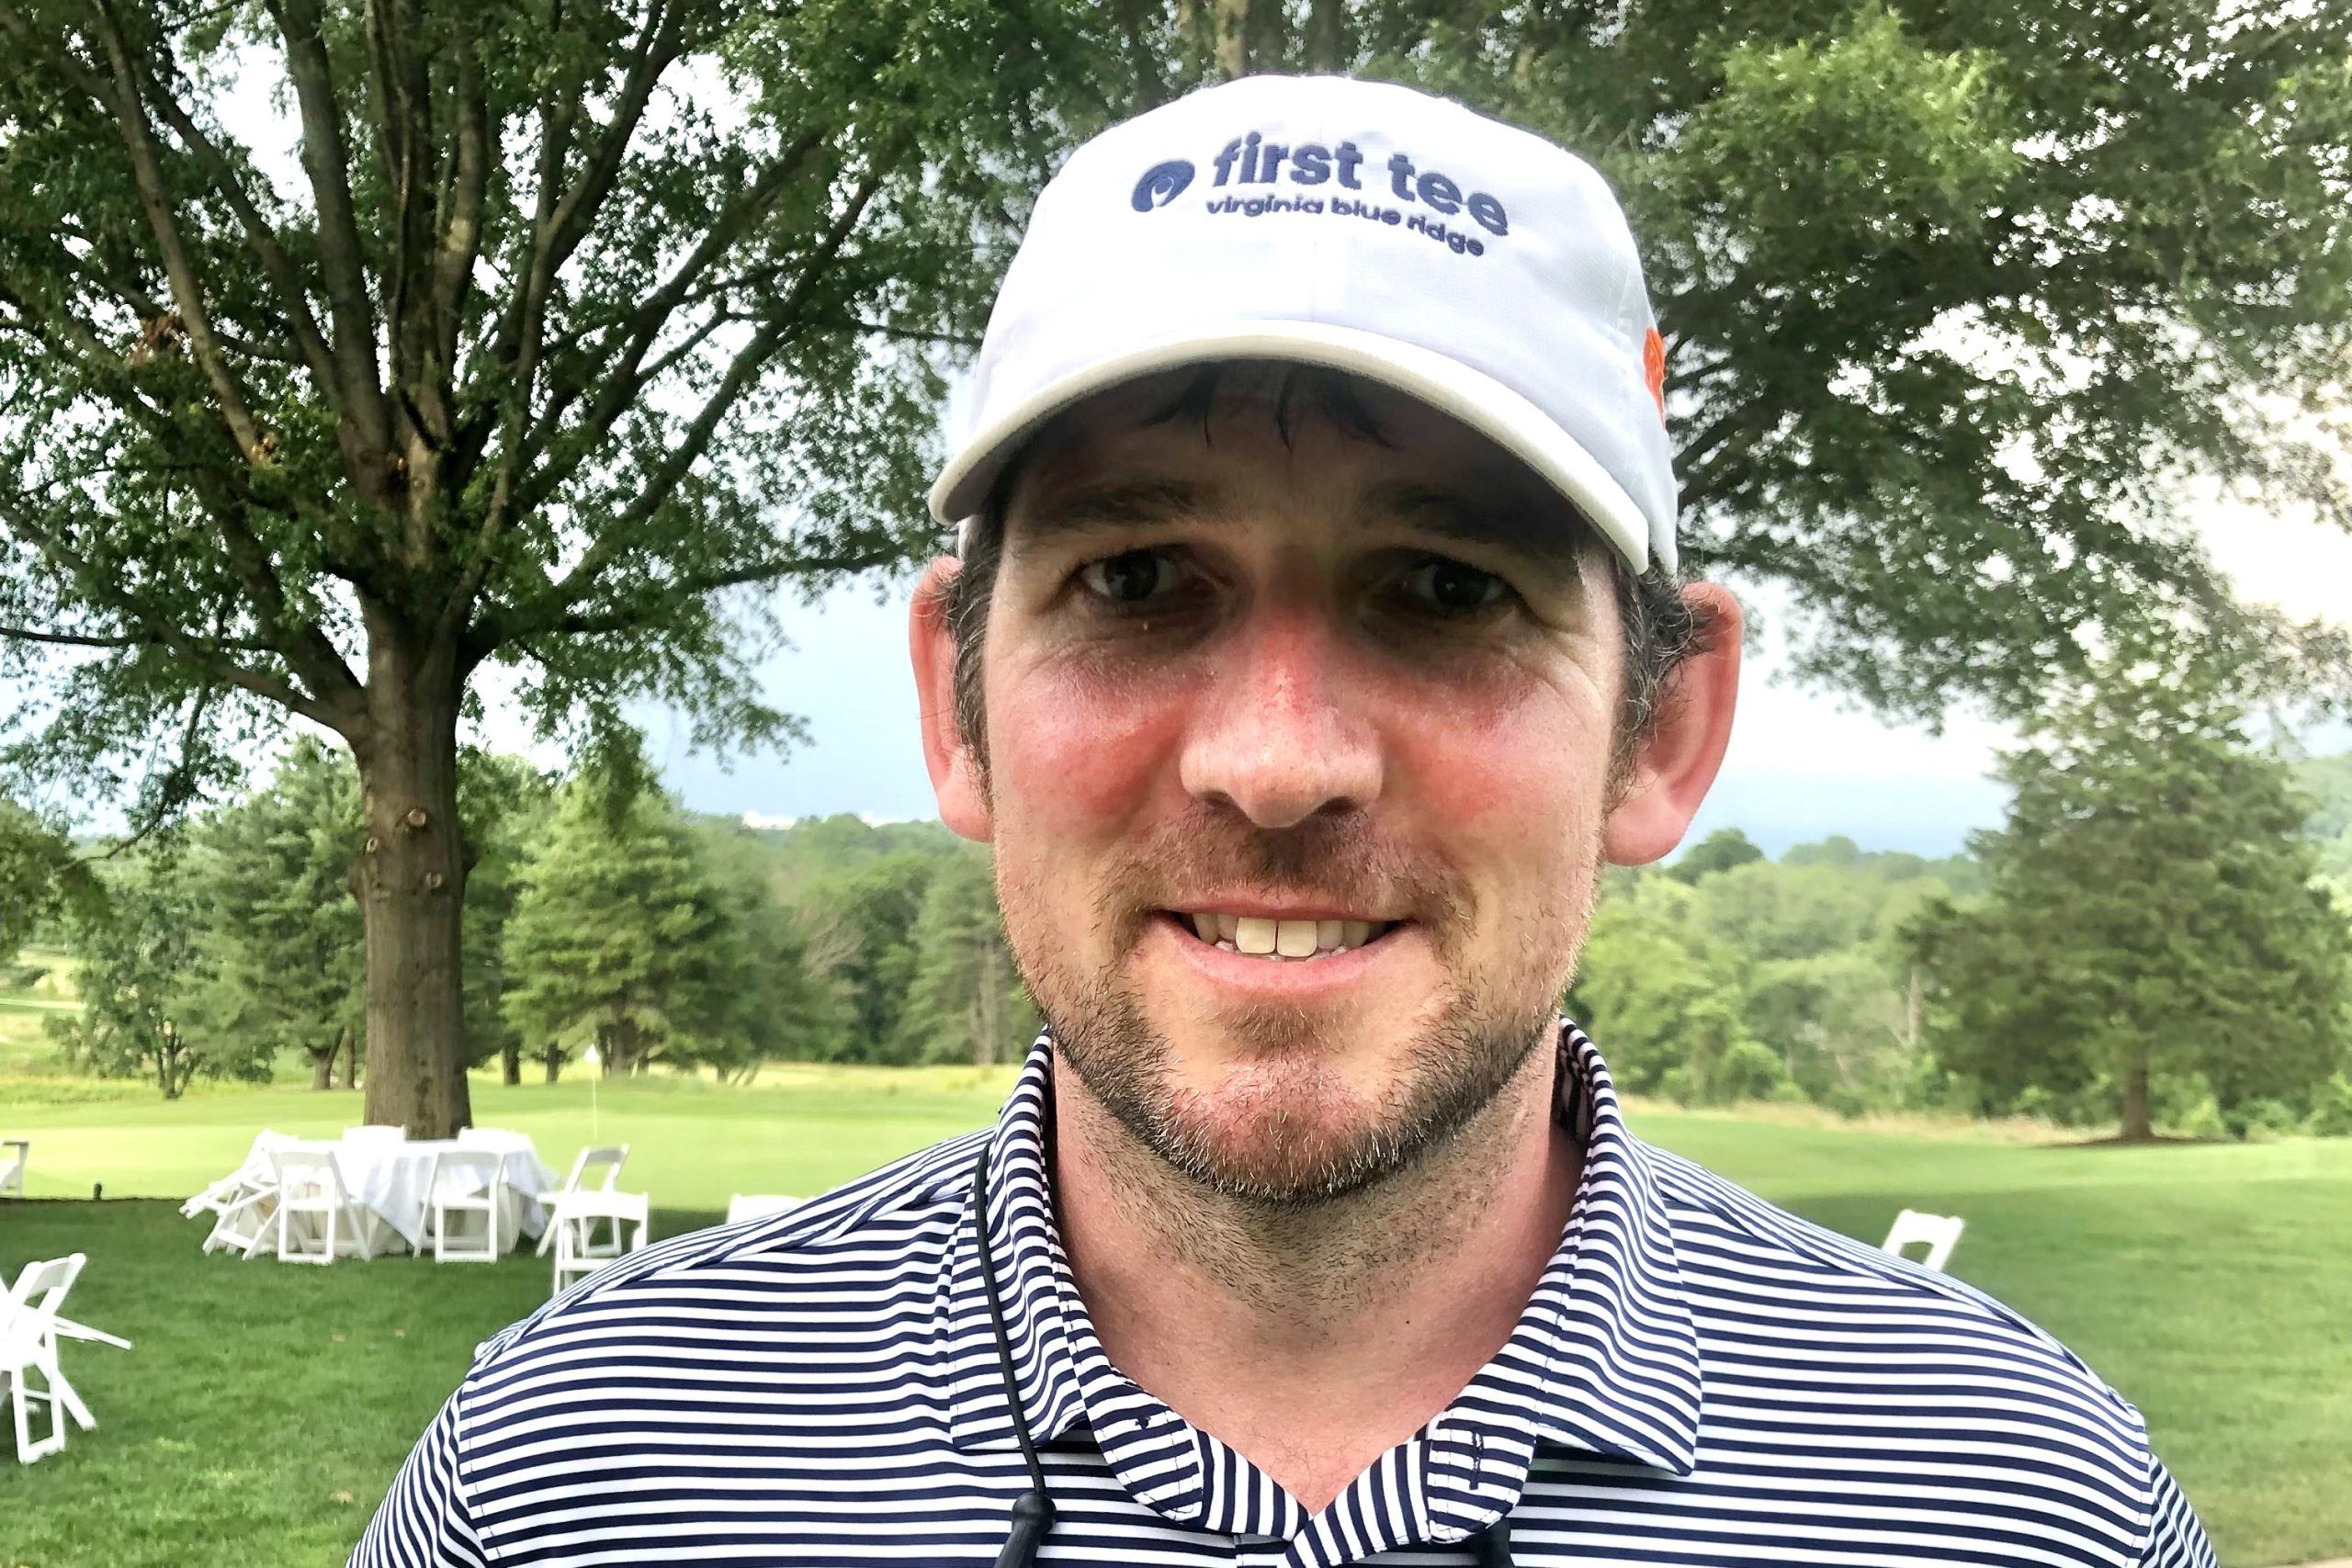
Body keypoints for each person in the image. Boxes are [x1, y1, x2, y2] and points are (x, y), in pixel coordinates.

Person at [352, 74, 2214, 1568]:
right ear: (954, 703)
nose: (1275, 761)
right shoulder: (569, 1479)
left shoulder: (2019, 1500)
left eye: (1448, 589)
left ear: (1662, 730)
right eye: (1135, 577)